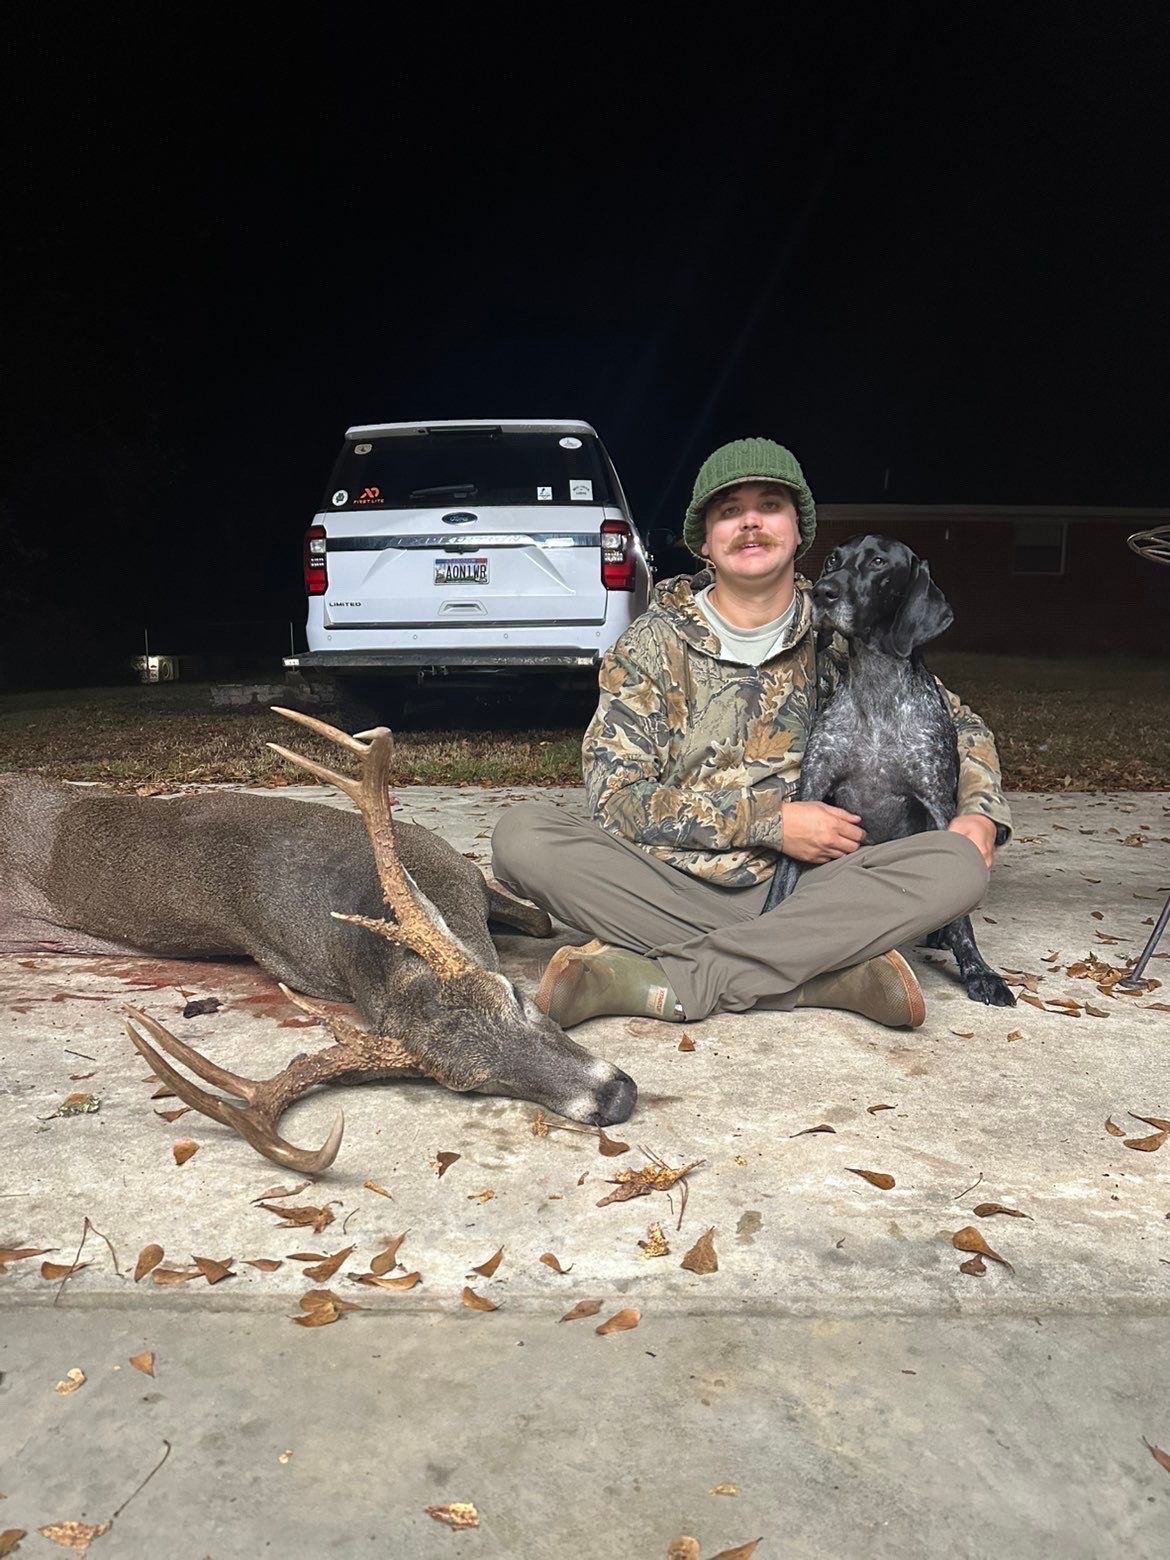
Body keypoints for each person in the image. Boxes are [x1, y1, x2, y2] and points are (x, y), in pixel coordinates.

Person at [491, 438, 1010, 1031]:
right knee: (522, 835)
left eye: (769, 504)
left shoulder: (845, 634)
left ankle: (675, 977)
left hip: (820, 885)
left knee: (957, 863)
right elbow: (616, 802)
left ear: (798, 531)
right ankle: (820, 971)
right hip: (665, 881)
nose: (750, 522)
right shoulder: (649, 646)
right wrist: (771, 823)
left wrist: (981, 811)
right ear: (705, 541)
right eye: (728, 510)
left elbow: (957, 723)